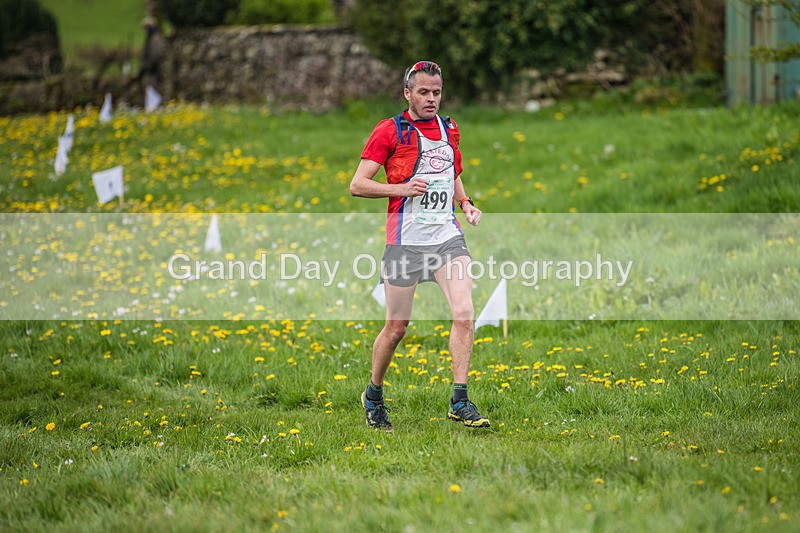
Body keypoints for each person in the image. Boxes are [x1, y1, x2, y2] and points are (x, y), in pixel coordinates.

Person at [349, 60, 489, 430]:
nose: (431, 99)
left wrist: (465, 203)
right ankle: (373, 394)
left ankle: (460, 399)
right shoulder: (389, 131)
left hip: (446, 238)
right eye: (423, 92)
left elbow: (451, 172)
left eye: (436, 92)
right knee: (397, 328)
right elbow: (357, 184)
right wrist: (402, 188)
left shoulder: (449, 128)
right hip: (405, 243)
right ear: (407, 93)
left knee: (464, 313)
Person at [138, 16, 164, 92]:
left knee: (151, 93)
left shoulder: (154, 39)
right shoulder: (152, 39)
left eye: (145, 28)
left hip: (152, 73)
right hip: (151, 72)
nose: (144, 31)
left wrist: (145, 67)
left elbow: (155, 56)